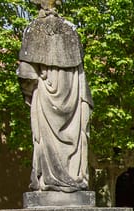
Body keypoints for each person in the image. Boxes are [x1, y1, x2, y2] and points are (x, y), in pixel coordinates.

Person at [17, 0, 92, 192]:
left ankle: (49, 180)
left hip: (45, 97)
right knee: (75, 138)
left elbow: (27, 75)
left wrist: (30, 92)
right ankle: (74, 177)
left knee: (45, 140)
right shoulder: (71, 32)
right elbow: (81, 75)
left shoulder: (34, 30)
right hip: (73, 97)